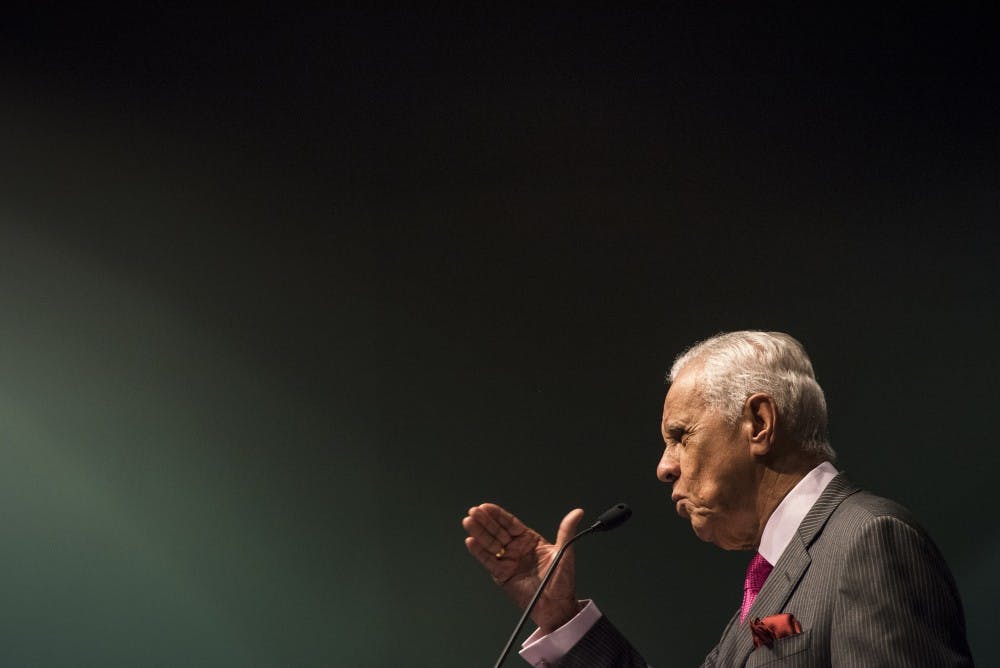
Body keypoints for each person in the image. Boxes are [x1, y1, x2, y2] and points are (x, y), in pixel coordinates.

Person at [462, 331, 973, 666]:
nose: (664, 466)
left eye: (681, 435)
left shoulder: (867, 542)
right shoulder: (777, 578)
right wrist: (560, 616)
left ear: (759, 423)